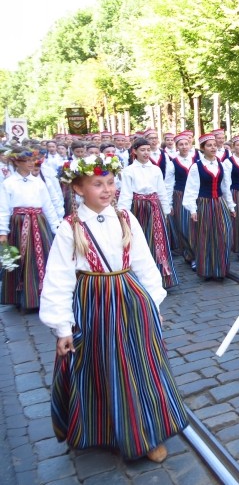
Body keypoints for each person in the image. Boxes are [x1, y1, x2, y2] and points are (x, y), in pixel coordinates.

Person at [40, 154, 188, 463]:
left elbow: (143, 261)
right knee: (102, 364)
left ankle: (146, 433)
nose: (107, 190)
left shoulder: (126, 217)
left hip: (131, 300)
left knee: (140, 365)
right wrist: (62, 327)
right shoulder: (71, 227)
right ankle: (106, 429)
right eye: (97, 184)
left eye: (110, 183)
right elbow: (59, 277)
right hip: (94, 303)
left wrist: (154, 302)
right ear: (79, 188)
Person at [0, 150, 60, 310]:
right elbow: (3, 208)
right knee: (20, 258)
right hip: (19, 224)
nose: (31, 163)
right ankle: (21, 297)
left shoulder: (38, 183)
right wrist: (3, 232)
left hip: (39, 223)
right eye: (26, 161)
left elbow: (48, 206)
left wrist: (55, 227)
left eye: (32, 160)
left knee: (41, 258)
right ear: (17, 163)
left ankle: (40, 297)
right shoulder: (8, 183)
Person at [118, 138, 179, 288]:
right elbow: (126, 194)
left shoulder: (155, 169)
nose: (146, 153)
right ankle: (142, 278)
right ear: (135, 151)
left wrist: (166, 209)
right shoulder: (129, 171)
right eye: (142, 150)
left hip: (154, 206)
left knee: (158, 241)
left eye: (148, 150)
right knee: (141, 239)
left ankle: (162, 275)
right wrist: (123, 214)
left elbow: (161, 190)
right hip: (138, 207)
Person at [183, 133, 236, 280]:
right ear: (202, 148)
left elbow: (226, 187)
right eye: (209, 145)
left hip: (219, 203)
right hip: (204, 204)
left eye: (214, 145)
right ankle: (206, 270)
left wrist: (231, 206)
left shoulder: (222, 164)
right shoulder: (196, 167)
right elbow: (191, 188)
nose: (213, 147)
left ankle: (221, 270)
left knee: (224, 234)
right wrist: (192, 209)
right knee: (205, 237)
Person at [166, 133, 198, 267]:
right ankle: (190, 255)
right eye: (181, 144)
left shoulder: (197, 160)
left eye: (186, 144)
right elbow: (168, 184)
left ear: (190, 145)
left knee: (198, 226)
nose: (184, 147)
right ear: (177, 147)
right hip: (180, 195)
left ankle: (200, 255)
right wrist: (169, 204)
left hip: (197, 195)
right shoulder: (172, 163)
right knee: (185, 226)